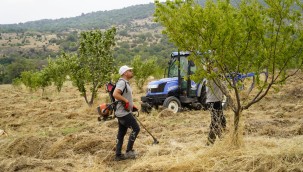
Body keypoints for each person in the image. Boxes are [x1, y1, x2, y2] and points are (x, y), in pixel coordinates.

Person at [113, 65, 140, 161]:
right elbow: (115, 94)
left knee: (121, 133)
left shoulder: (125, 83)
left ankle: (118, 155)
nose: (131, 71)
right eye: (129, 70)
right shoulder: (122, 82)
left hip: (122, 112)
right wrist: (126, 101)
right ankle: (129, 151)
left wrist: (132, 106)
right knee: (136, 129)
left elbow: (124, 97)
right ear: (125, 73)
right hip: (123, 113)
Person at [205, 77, 227, 145]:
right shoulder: (215, 76)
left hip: (213, 101)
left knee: (220, 120)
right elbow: (223, 86)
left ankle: (220, 138)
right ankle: (210, 142)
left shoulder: (207, 76)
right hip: (215, 101)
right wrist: (228, 94)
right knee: (216, 122)